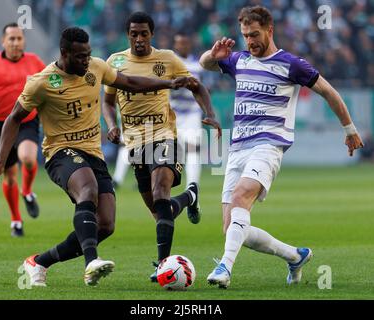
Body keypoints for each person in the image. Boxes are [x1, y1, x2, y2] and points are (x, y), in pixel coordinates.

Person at [0, 27, 196, 287]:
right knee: (88, 188)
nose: (86, 61)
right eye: (80, 56)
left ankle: (39, 262)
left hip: (93, 153)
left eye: (88, 55)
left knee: (105, 225)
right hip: (60, 152)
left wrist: (169, 83)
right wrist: (1, 160)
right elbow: (13, 118)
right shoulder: (42, 82)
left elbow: (130, 82)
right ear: (65, 53)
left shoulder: (96, 67)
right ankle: (91, 263)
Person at [199, 6, 364, 288]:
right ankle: (294, 256)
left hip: (268, 146)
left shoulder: (291, 64)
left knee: (241, 198)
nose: (249, 41)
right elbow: (206, 64)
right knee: (231, 229)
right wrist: (211, 55)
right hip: (237, 147)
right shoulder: (239, 60)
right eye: (245, 36)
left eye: (254, 34)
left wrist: (349, 128)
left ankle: (225, 267)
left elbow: (328, 92)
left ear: (269, 30)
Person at [102, 12, 221, 282]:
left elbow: (197, 86)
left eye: (144, 33)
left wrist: (210, 112)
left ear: (151, 35)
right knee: (159, 210)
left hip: (162, 135)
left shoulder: (167, 59)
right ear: (128, 35)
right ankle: (191, 196)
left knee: (160, 192)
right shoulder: (115, 61)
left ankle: (162, 265)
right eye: (134, 34)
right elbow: (108, 101)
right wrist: (111, 124)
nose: (139, 39)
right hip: (135, 142)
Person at [0, 23, 45, 237]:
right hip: (0, 124)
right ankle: (16, 220)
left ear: (24, 41)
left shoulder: (35, 62)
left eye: (19, 38)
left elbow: (49, 85)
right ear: (3, 41)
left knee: (28, 158)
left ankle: (27, 191)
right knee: (8, 174)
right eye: (11, 39)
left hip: (26, 120)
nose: (16, 42)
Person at [169, 32, 205, 188]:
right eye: (180, 43)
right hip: (172, 114)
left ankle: (192, 186)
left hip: (192, 114)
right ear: (175, 45)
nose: (182, 46)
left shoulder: (197, 65)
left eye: (185, 43)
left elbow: (203, 88)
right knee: (167, 152)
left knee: (192, 149)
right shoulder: (168, 64)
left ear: (190, 44)